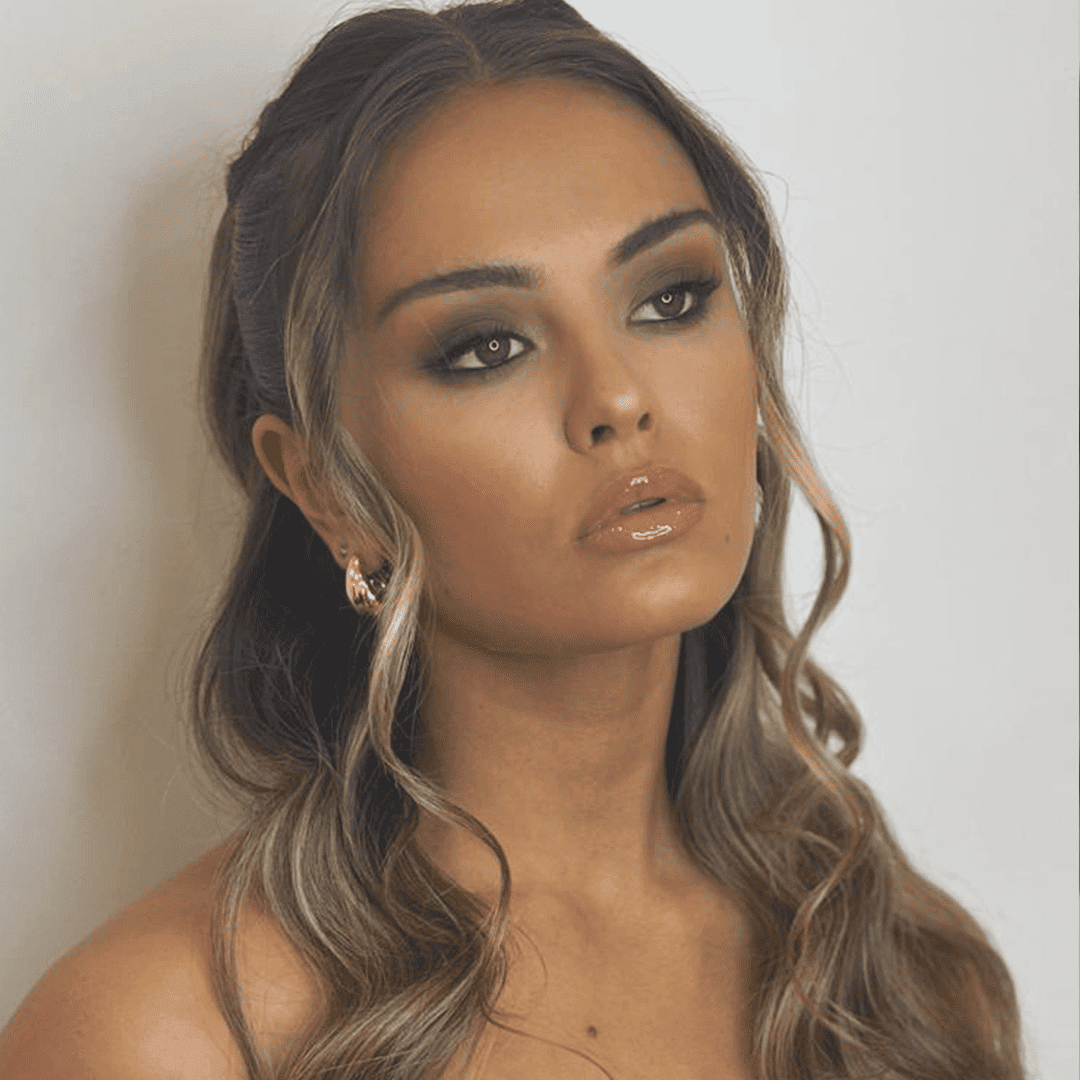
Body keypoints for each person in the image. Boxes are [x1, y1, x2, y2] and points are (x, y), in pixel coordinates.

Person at [0, 1, 1029, 1077]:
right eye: (486, 347)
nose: (619, 397)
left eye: (671, 298)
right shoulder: (166, 1036)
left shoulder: (901, 978)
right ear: (324, 486)